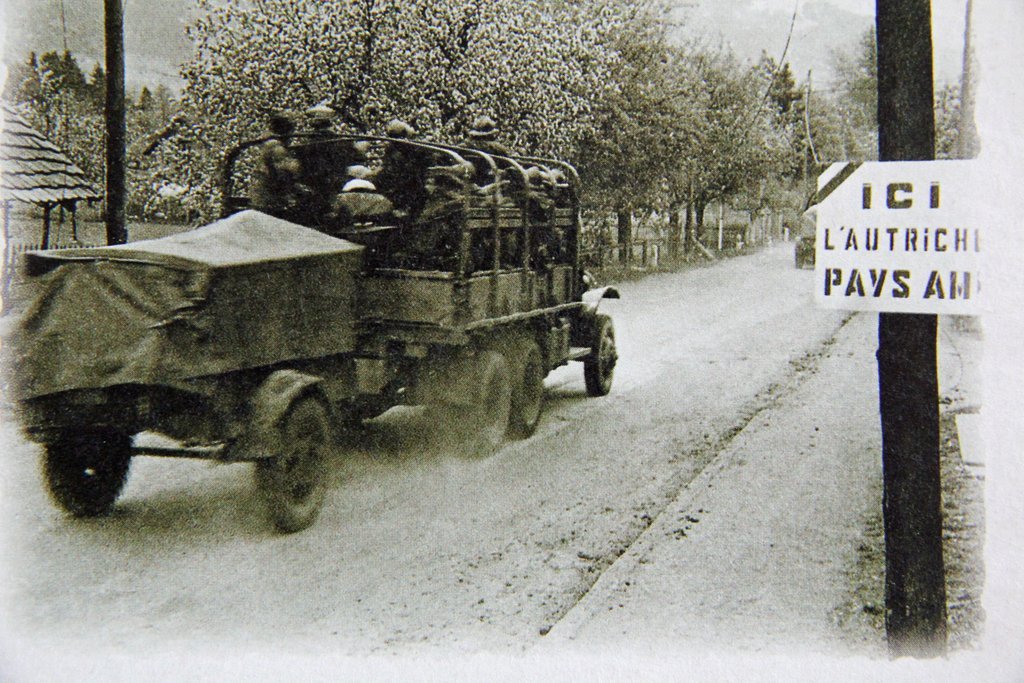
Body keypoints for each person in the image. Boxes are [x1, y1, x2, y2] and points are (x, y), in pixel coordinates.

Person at [373, 119, 432, 220]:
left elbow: (419, 165)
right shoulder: (392, 148)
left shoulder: (413, 146)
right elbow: (388, 164)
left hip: (409, 179)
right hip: (397, 178)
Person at [250, 111, 303, 219]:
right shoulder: (275, 147)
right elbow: (285, 170)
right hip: (270, 200)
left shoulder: (268, 143)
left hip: (265, 196)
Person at [461, 115, 512, 187]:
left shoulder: (464, 146)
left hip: (471, 179)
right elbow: (509, 162)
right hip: (489, 180)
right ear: (490, 134)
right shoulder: (496, 147)